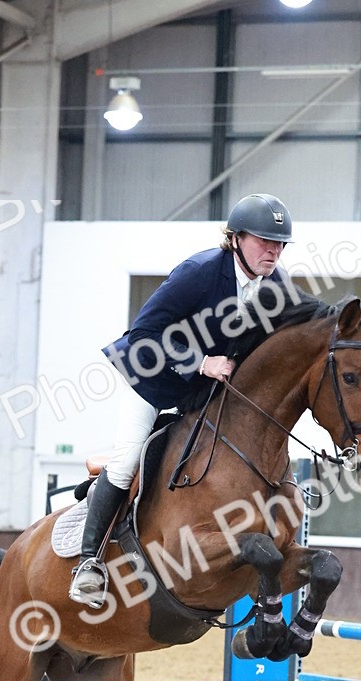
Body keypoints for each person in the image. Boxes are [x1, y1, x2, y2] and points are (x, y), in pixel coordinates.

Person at [69, 192, 293, 608]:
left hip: (208, 394)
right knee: (127, 460)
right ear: (236, 238)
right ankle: (89, 563)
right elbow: (143, 335)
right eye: (265, 241)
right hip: (156, 379)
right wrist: (200, 362)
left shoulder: (276, 285)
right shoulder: (200, 272)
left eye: (279, 244)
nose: (273, 251)